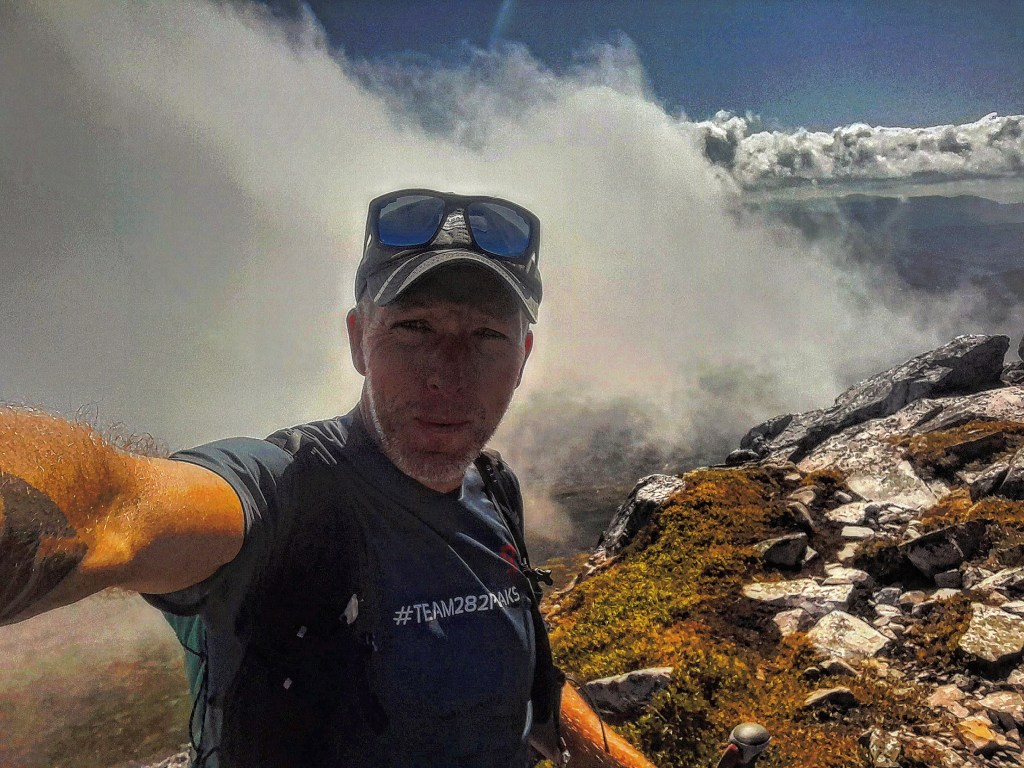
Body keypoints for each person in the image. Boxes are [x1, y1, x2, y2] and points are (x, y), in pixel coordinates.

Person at [0, 189, 656, 768]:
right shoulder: (291, 490)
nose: (447, 375)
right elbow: (121, 508)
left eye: (486, 336)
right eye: (413, 327)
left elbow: (532, 688)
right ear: (357, 340)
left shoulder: (495, 490)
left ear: (523, 358)